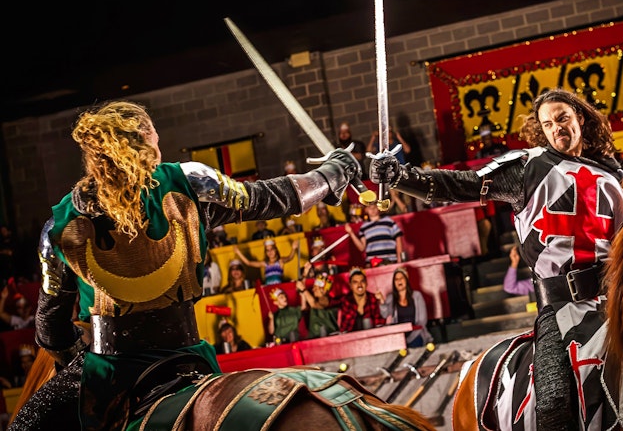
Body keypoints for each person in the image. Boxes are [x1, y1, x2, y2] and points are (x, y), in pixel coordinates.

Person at [14, 100, 363, 430]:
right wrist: (334, 173)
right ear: (141, 141)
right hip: (188, 356)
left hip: (112, 370)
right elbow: (273, 198)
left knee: (25, 423)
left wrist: (78, 355)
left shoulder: (60, 226)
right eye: (153, 131)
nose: (159, 138)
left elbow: (50, 330)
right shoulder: (190, 183)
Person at [371, 88, 623, 428]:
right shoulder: (527, 167)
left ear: (580, 117)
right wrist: (402, 176)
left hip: (616, 299)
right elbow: (461, 185)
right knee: (552, 402)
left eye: (563, 118)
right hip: (560, 310)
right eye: (548, 123)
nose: (557, 128)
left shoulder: (618, 174)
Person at [379, 267, 432, 348]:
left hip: (416, 334)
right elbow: (385, 314)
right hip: (399, 338)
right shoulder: (391, 297)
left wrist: (409, 339)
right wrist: (382, 302)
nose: (399, 281)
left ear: (406, 279)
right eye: (396, 279)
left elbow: (422, 321)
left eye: (401, 278)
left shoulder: (417, 296)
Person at [233, 238, 298, 285]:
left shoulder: (280, 261)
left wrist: (293, 248)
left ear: (275, 250)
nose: (270, 252)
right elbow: (249, 263)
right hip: (268, 289)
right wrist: (238, 252)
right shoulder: (265, 263)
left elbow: (290, 257)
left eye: (272, 249)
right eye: (267, 250)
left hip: (279, 288)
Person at [338, 268, 384, 333]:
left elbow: (380, 324)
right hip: (351, 340)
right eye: (355, 282)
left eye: (362, 281)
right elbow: (344, 329)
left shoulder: (373, 298)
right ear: (350, 285)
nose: (359, 285)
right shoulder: (346, 301)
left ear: (366, 284)